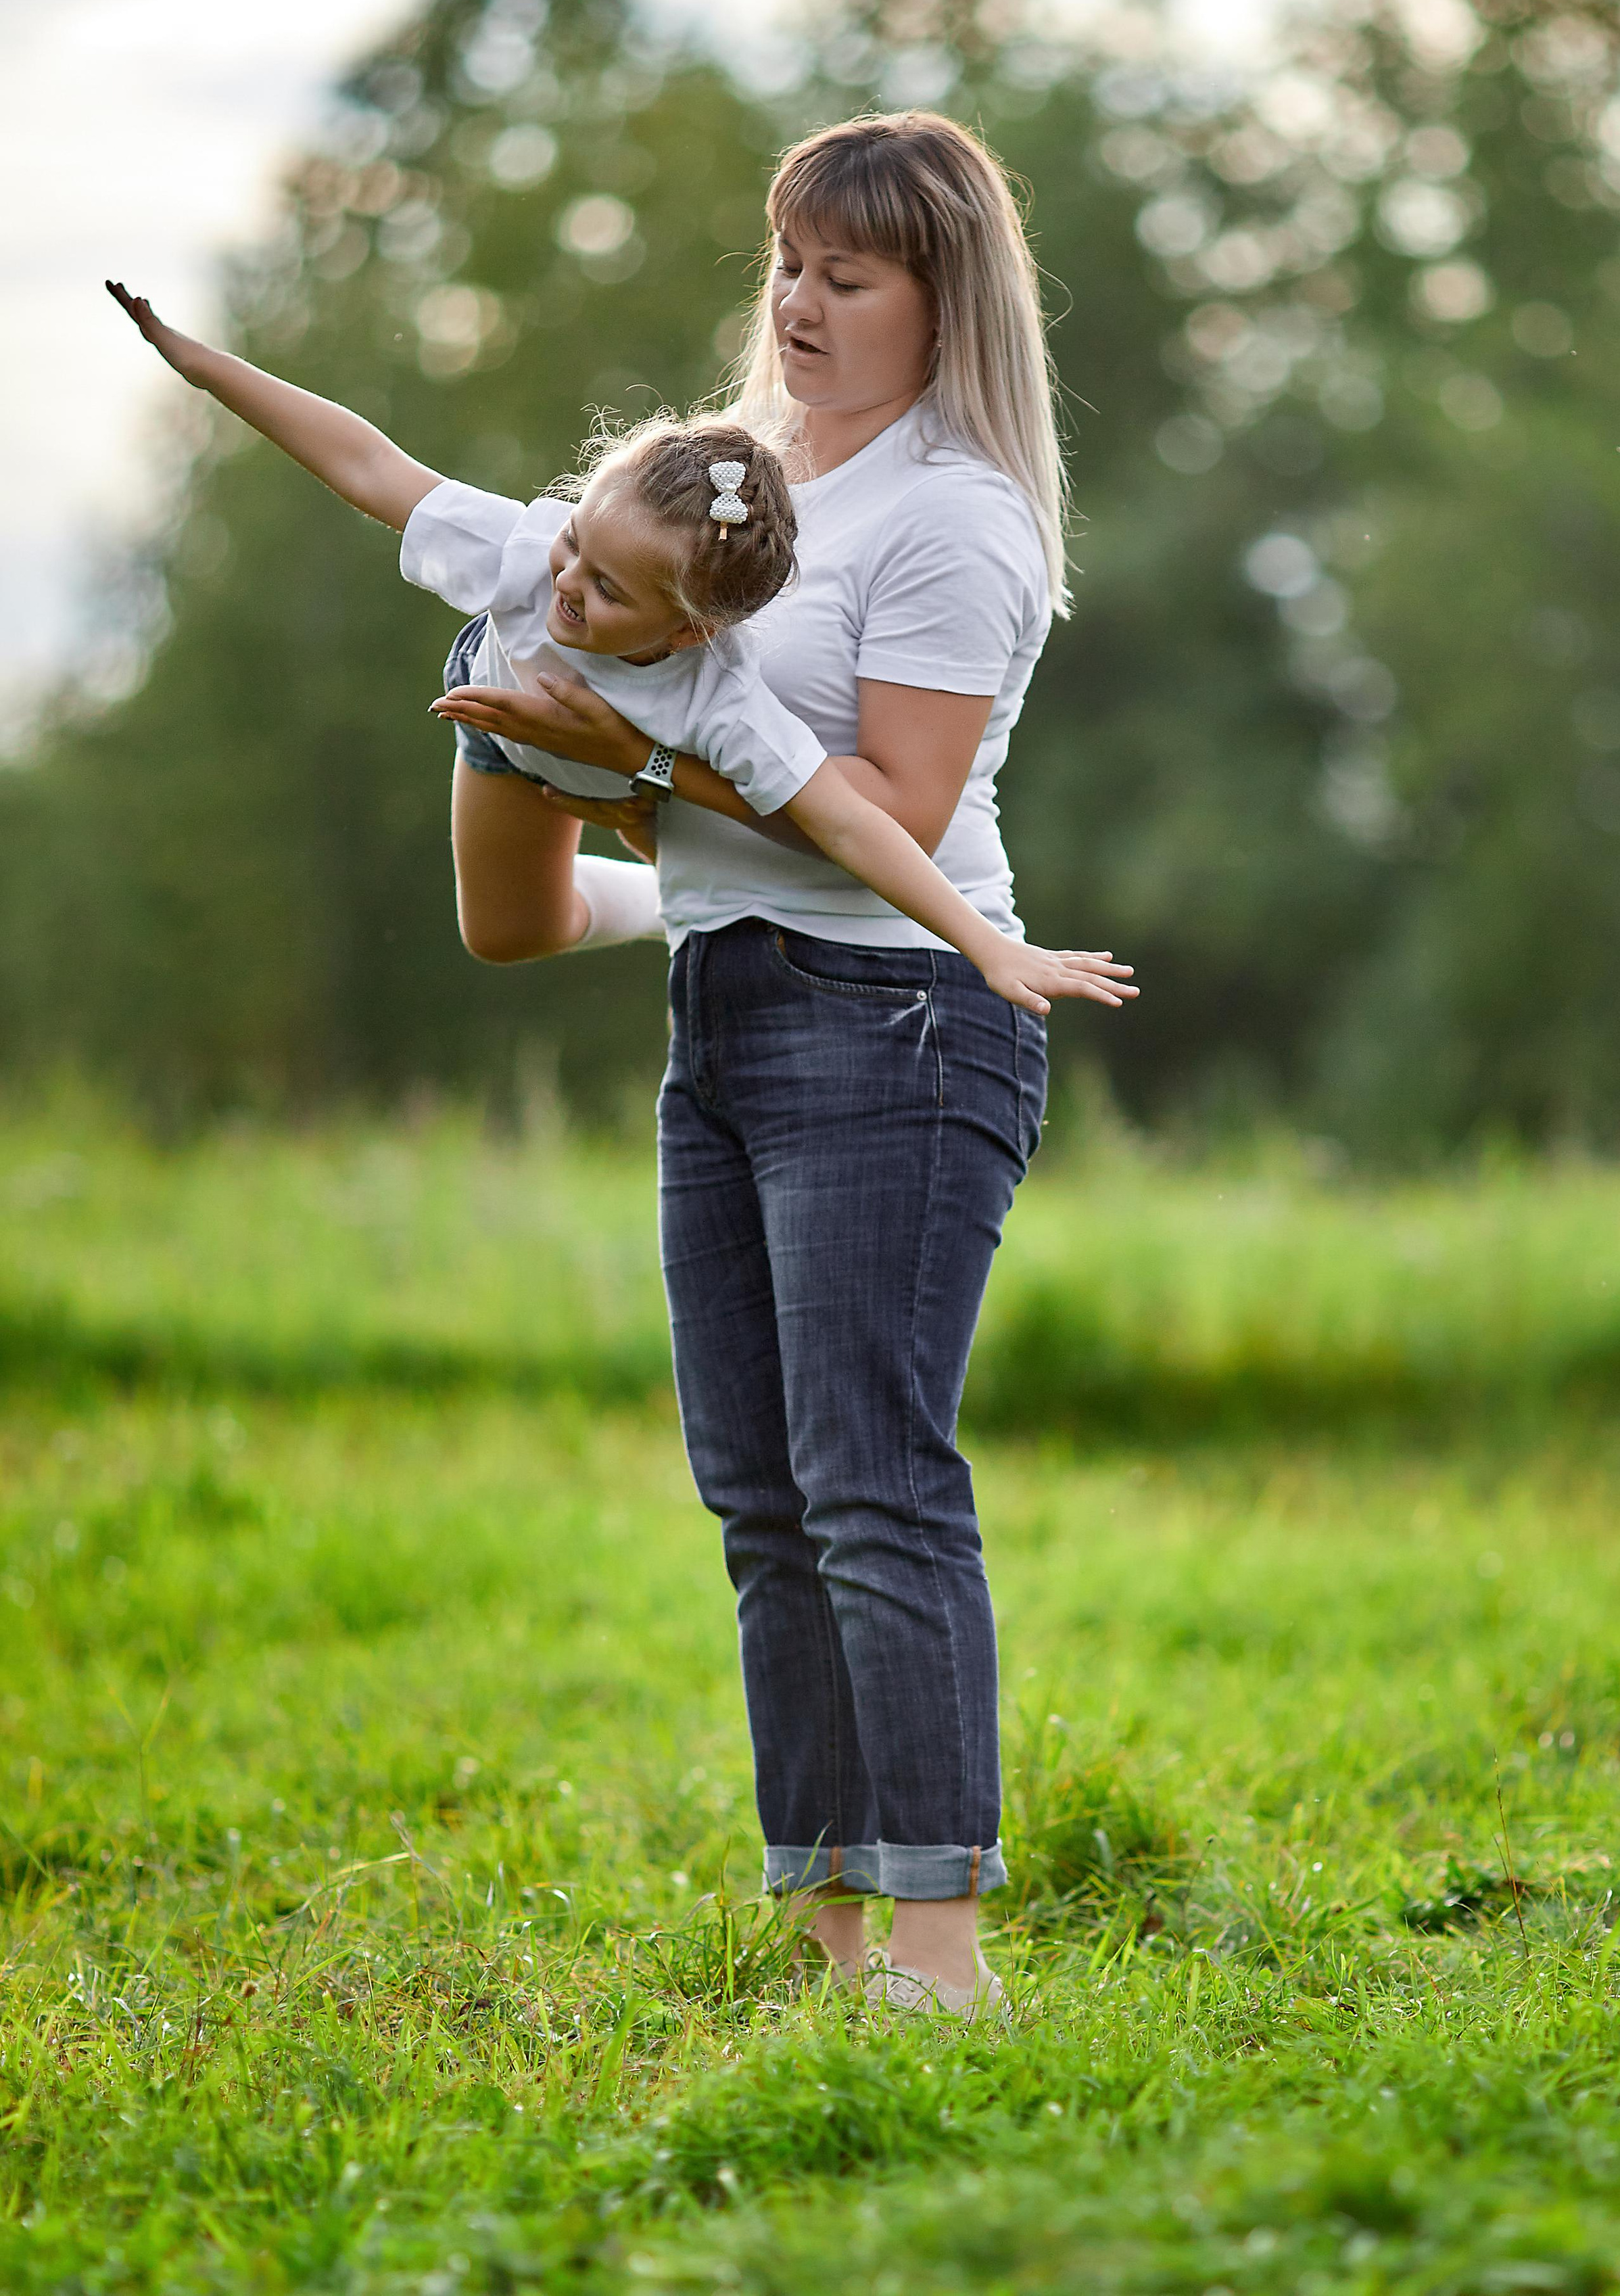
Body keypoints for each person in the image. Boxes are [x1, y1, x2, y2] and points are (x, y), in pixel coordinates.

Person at [433, 110, 1120, 2017]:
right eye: (790, 265)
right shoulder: (737, 490)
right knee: (759, 1489)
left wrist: (617, 762)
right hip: (734, 1007)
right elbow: (712, 813)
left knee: (871, 1477)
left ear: (941, 296)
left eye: (852, 274)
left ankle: (941, 1952)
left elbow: (884, 802)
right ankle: (830, 1934)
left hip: (902, 1021)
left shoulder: (956, 515)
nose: (803, 305)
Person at [103, 282, 1134, 1020]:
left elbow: (855, 830)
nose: (567, 586)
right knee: (501, 933)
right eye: (574, 546)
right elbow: (370, 466)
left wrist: (993, 948)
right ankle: (652, 894)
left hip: (623, 746)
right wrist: (197, 361)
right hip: (504, 709)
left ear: (691, 630)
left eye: (604, 589)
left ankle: (656, 880)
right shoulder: (527, 559)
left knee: (538, 915)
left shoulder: (719, 701)